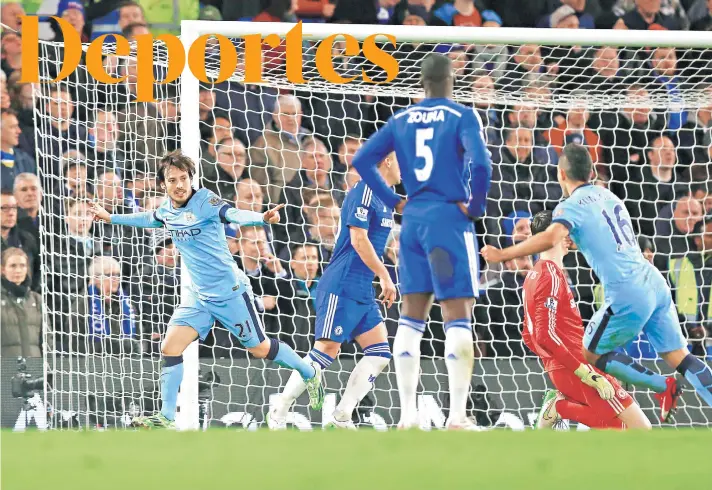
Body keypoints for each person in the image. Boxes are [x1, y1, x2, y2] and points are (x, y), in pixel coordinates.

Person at [89, 150, 323, 429]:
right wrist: (111, 217)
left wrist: (261, 218)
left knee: (260, 348)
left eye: (184, 178)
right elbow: (149, 218)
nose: (179, 184)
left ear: (191, 178)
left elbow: (231, 213)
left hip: (230, 292)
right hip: (199, 296)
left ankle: (309, 372)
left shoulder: (205, 201)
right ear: (163, 184)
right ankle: (166, 417)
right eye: (172, 179)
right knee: (170, 346)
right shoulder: (166, 210)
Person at [482, 143, 712, 421]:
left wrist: (502, 253)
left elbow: (550, 237)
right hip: (653, 281)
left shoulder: (570, 205)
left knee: (590, 354)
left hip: (628, 290)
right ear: (591, 171)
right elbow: (604, 239)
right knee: (680, 357)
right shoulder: (608, 195)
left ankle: (662, 386)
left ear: (560, 174)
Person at [351, 53, 492, 430]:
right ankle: (458, 417)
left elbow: (362, 160)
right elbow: (481, 164)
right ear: (451, 79)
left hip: (411, 222)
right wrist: (474, 207)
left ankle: (407, 417)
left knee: (411, 319)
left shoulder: (401, 120)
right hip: (449, 219)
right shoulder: (463, 115)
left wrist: (393, 200)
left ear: (421, 84)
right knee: (457, 316)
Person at [268, 153, 400, 430]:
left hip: (362, 289)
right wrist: (385, 275)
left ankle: (342, 415)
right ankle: (280, 407)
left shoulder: (385, 199)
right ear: (387, 161)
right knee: (326, 350)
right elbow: (358, 239)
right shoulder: (364, 191)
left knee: (379, 353)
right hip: (341, 284)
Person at [523, 211, 651, 430]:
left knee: (617, 430)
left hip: (567, 366)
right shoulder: (550, 276)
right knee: (640, 429)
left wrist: (554, 362)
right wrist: (584, 372)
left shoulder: (535, 274)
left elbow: (528, 334)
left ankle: (560, 407)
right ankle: (560, 407)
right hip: (576, 367)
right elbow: (544, 335)